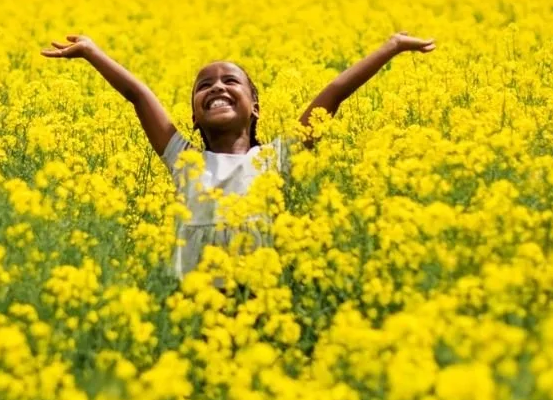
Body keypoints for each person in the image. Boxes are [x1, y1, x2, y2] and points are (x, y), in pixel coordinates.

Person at [39, 31, 436, 279]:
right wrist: (92, 53)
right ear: (193, 117)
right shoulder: (184, 160)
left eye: (231, 81)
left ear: (255, 107)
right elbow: (138, 95)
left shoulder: (278, 158)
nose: (217, 88)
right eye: (204, 86)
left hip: (260, 304)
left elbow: (333, 95)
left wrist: (392, 47)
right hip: (194, 306)